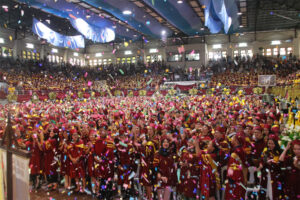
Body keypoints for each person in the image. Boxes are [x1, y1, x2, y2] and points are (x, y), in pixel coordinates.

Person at [258, 134, 283, 200]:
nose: (270, 145)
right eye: (269, 143)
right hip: (266, 173)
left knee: (274, 190)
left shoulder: (279, 152)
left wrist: (273, 163)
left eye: (272, 144)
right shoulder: (265, 151)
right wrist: (262, 164)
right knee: (264, 189)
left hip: (275, 174)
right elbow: (262, 160)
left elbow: (280, 163)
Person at [225, 132, 248, 200]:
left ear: (236, 140)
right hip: (232, 176)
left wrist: (245, 178)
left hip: (236, 177)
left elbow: (244, 165)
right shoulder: (235, 149)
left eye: (232, 138)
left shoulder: (239, 150)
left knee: (235, 194)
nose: (230, 139)